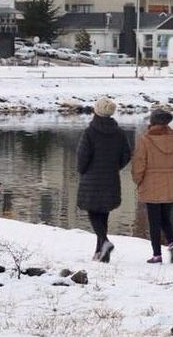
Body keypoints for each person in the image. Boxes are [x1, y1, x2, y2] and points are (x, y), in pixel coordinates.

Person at [132, 108, 173, 264]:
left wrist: (138, 180)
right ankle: (172, 244)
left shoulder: (145, 140)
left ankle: (157, 254)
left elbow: (139, 164)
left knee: (154, 221)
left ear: (152, 122)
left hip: (151, 183)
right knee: (166, 218)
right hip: (172, 183)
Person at [76, 97, 132, 262]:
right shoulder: (119, 133)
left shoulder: (90, 132)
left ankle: (105, 242)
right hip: (110, 178)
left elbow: (82, 156)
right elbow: (127, 154)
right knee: (103, 214)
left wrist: (82, 170)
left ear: (96, 111)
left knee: (93, 212)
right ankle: (100, 252)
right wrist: (115, 167)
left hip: (91, 179)